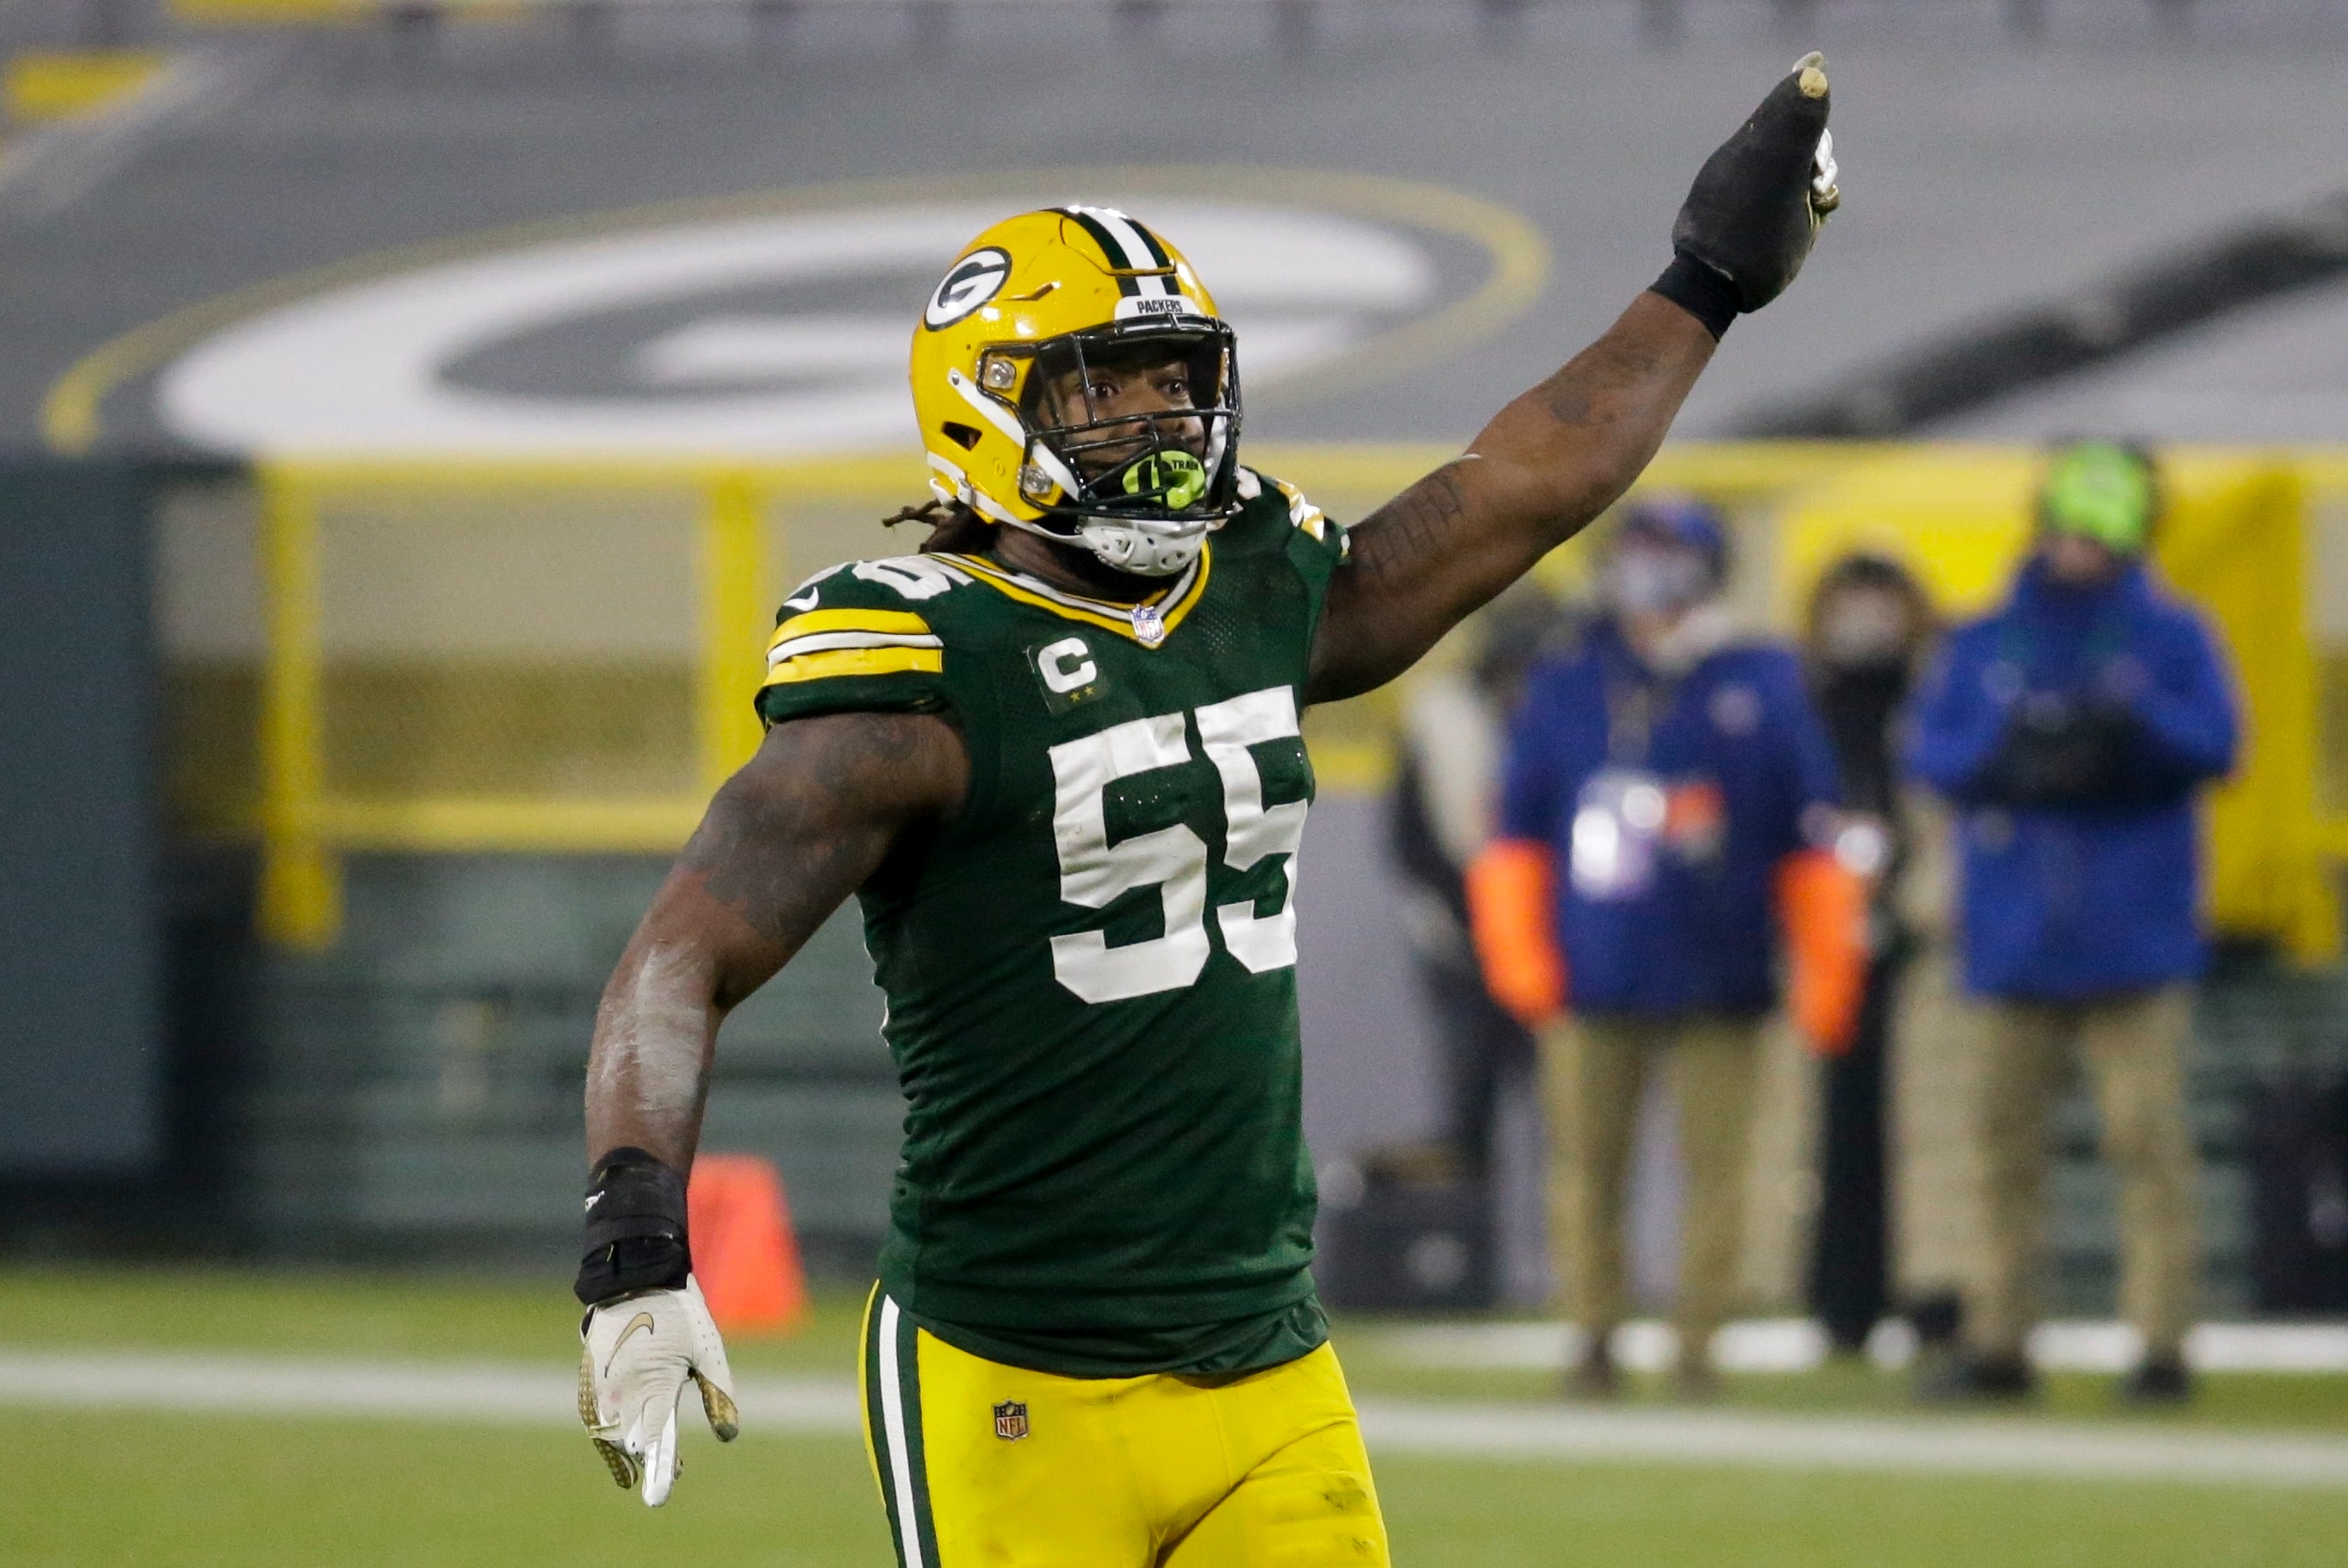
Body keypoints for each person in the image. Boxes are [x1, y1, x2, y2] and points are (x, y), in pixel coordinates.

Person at [571, 57, 1841, 1565]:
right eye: (1106, 388)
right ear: (984, 412)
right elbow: (681, 955)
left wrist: (1703, 283)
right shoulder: (921, 679)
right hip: (1009, 1370)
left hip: (1263, 1355)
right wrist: (634, 1247)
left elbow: (1524, 481)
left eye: (1178, 380)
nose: (1161, 418)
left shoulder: (1251, 587)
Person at [1466, 498, 1865, 1400]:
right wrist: (1520, 955)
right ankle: (1591, 1332)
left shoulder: (1760, 679)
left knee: (1718, 1169)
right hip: (1594, 965)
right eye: (1635, 549)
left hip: (1722, 967)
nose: (1645, 571)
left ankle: (1697, 1341)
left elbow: (1809, 837)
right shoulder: (1571, 678)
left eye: (1665, 551)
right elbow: (1516, 832)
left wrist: (1824, 967)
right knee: (1585, 1167)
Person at [1905, 440, 2239, 1405]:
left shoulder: (2170, 635)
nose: (2079, 547)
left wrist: (2130, 729)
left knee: (2148, 1145)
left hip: (2132, 932)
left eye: (2099, 530)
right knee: (2000, 1149)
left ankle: (2161, 1342)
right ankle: (1999, 1339)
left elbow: (2218, 744)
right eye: (2068, 526)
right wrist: (2013, 747)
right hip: (2014, 934)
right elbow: (1935, 754)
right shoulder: (1987, 638)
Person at [1800, 553, 1937, 1354]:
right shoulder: (1804, 703)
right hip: (1818, 939)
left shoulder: (1929, 697)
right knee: (1830, 1129)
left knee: (1924, 1131)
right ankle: (1836, 1299)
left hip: (1917, 936)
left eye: (1879, 600)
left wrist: (1912, 897)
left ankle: (1930, 1293)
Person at [1386, 588, 1560, 1186]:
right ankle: (1469, 1237)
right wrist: (1460, 925)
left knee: (1567, 1123)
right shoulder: (1441, 715)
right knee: (1468, 1108)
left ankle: (1562, 1244)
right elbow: (1410, 839)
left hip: (1549, 944)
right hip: (1461, 941)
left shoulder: (1568, 715)